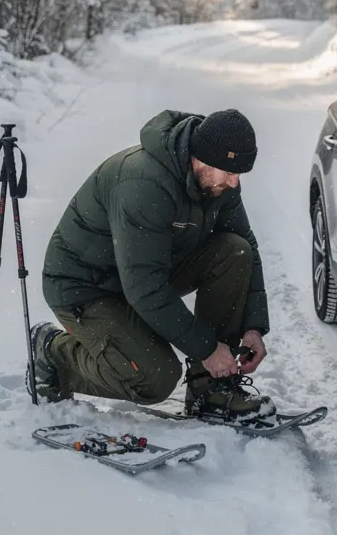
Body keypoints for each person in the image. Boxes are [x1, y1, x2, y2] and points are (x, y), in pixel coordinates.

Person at [30, 109, 277, 425]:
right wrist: (207, 349)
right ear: (201, 158)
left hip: (142, 274)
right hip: (85, 287)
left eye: (240, 173)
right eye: (229, 172)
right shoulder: (143, 184)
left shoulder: (219, 182)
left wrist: (253, 326)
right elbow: (144, 288)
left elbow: (246, 244)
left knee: (235, 251)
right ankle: (55, 354)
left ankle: (210, 390)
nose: (234, 182)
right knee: (155, 379)